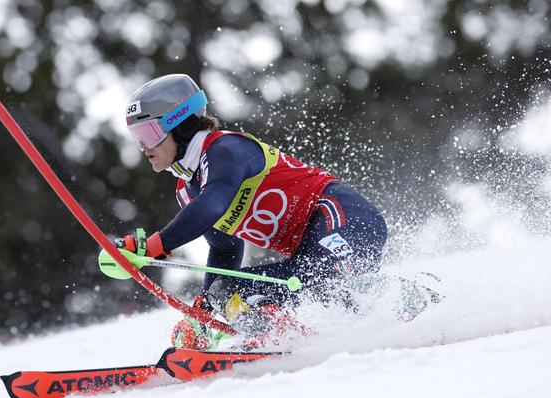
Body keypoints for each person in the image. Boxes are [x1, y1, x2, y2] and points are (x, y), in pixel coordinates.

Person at [118, 73, 387, 350]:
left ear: (181, 125)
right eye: (136, 136)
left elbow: (214, 203)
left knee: (328, 279)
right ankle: (286, 337)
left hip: (342, 216)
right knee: (228, 290)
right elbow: (224, 250)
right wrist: (204, 313)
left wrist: (153, 246)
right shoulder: (187, 190)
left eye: (148, 134)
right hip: (309, 248)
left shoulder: (225, 150)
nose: (142, 146)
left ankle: (277, 335)